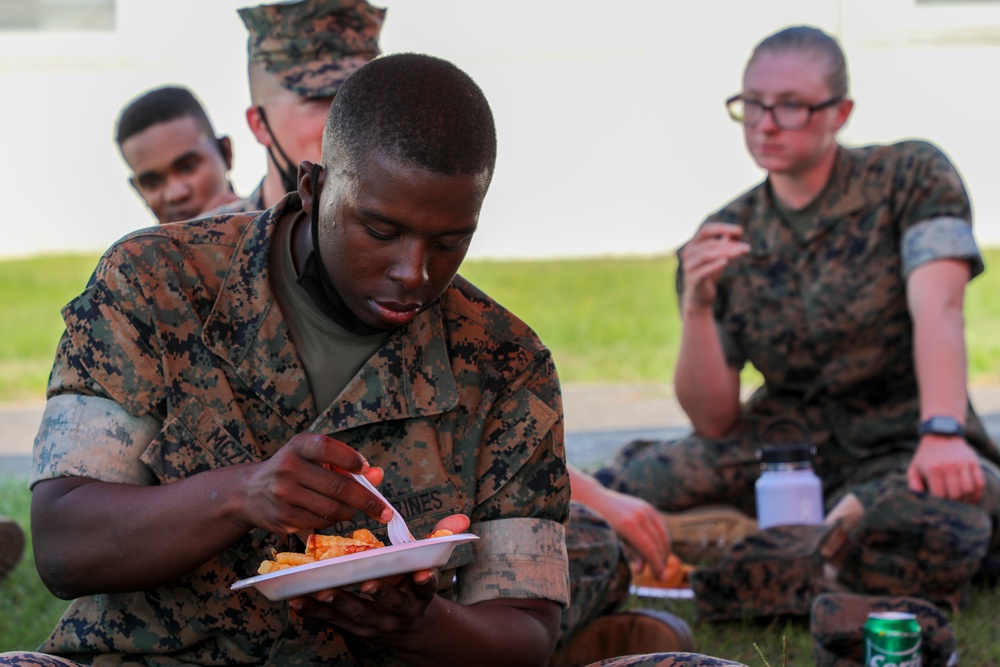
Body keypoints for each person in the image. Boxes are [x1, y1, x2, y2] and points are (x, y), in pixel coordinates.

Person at [2, 53, 726, 667]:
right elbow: (66, 542)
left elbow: (523, 627)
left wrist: (419, 625)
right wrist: (241, 494)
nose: (414, 272)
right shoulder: (154, 282)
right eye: (381, 229)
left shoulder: (506, 363)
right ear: (316, 188)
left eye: (450, 240)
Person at [595, 25, 1000, 608]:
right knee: (619, 489)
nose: (765, 124)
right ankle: (804, 547)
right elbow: (712, 420)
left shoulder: (910, 177)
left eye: (790, 106)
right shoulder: (728, 232)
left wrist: (942, 432)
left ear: (840, 112)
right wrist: (698, 304)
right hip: (784, 450)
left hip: (907, 438)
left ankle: (764, 550)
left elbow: (940, 306)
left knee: (953, 504)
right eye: (752, 105)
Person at [225, 0, 386, 213]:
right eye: (320, 100)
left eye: (364, 97)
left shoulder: (423, 233)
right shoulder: (206, 242)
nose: (350, 117)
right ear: (260, 125)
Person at [115, 85, 240, 225]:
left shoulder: (268, 230)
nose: (175, 194)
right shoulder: (134, 246)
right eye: (153, 183)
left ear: (226, 153)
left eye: (188, 167)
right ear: (138, 190)